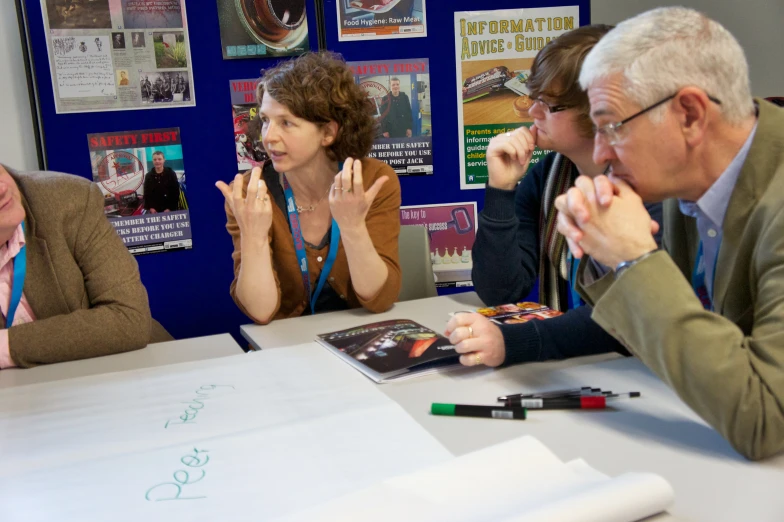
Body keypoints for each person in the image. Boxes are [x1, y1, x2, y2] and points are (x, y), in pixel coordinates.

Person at [553, 7, 784, 460]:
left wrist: (633, 258)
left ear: (691, 115)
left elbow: (763, 419)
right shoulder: (688, 182)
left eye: (612, 127)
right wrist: (602, 245)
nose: (600, 153)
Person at [446, 25, 662, 368]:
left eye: (548, 105)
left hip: (644, 373)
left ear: (599, 110)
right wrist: (501, 190)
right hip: (577, 365)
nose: (532, 112)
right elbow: (501, 291)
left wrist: (511, 342)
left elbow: (621, 317)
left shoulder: (653, 190)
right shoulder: (548, 175)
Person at [216, 51, 402, 324]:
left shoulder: (373, 180)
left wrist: (352, 227)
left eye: (286, 123)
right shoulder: (248, 194)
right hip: (287, 352)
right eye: (266, 120)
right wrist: (253, 236)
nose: (268, 137)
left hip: (360, 340)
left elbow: (380, 299)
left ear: (328, 132)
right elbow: (260, 311)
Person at [0, 163, 172, 368]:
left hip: (140, 373)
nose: (2, 188)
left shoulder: (68, 198)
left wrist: (7, 345)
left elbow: (128, 318)